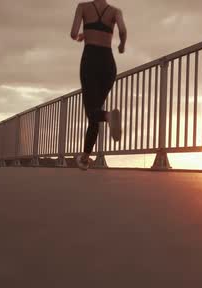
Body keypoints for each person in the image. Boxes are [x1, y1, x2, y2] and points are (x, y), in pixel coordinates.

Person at [70, 0, 127, 170]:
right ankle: (86, 158)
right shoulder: (115, 11)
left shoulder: (83, 7)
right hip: (108, 64)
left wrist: (81, 35)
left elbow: (73, 32)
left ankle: (109, 116)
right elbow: (123, 30)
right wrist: (122, 45)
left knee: (93, 112)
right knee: (94, 113)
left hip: (90, 61)